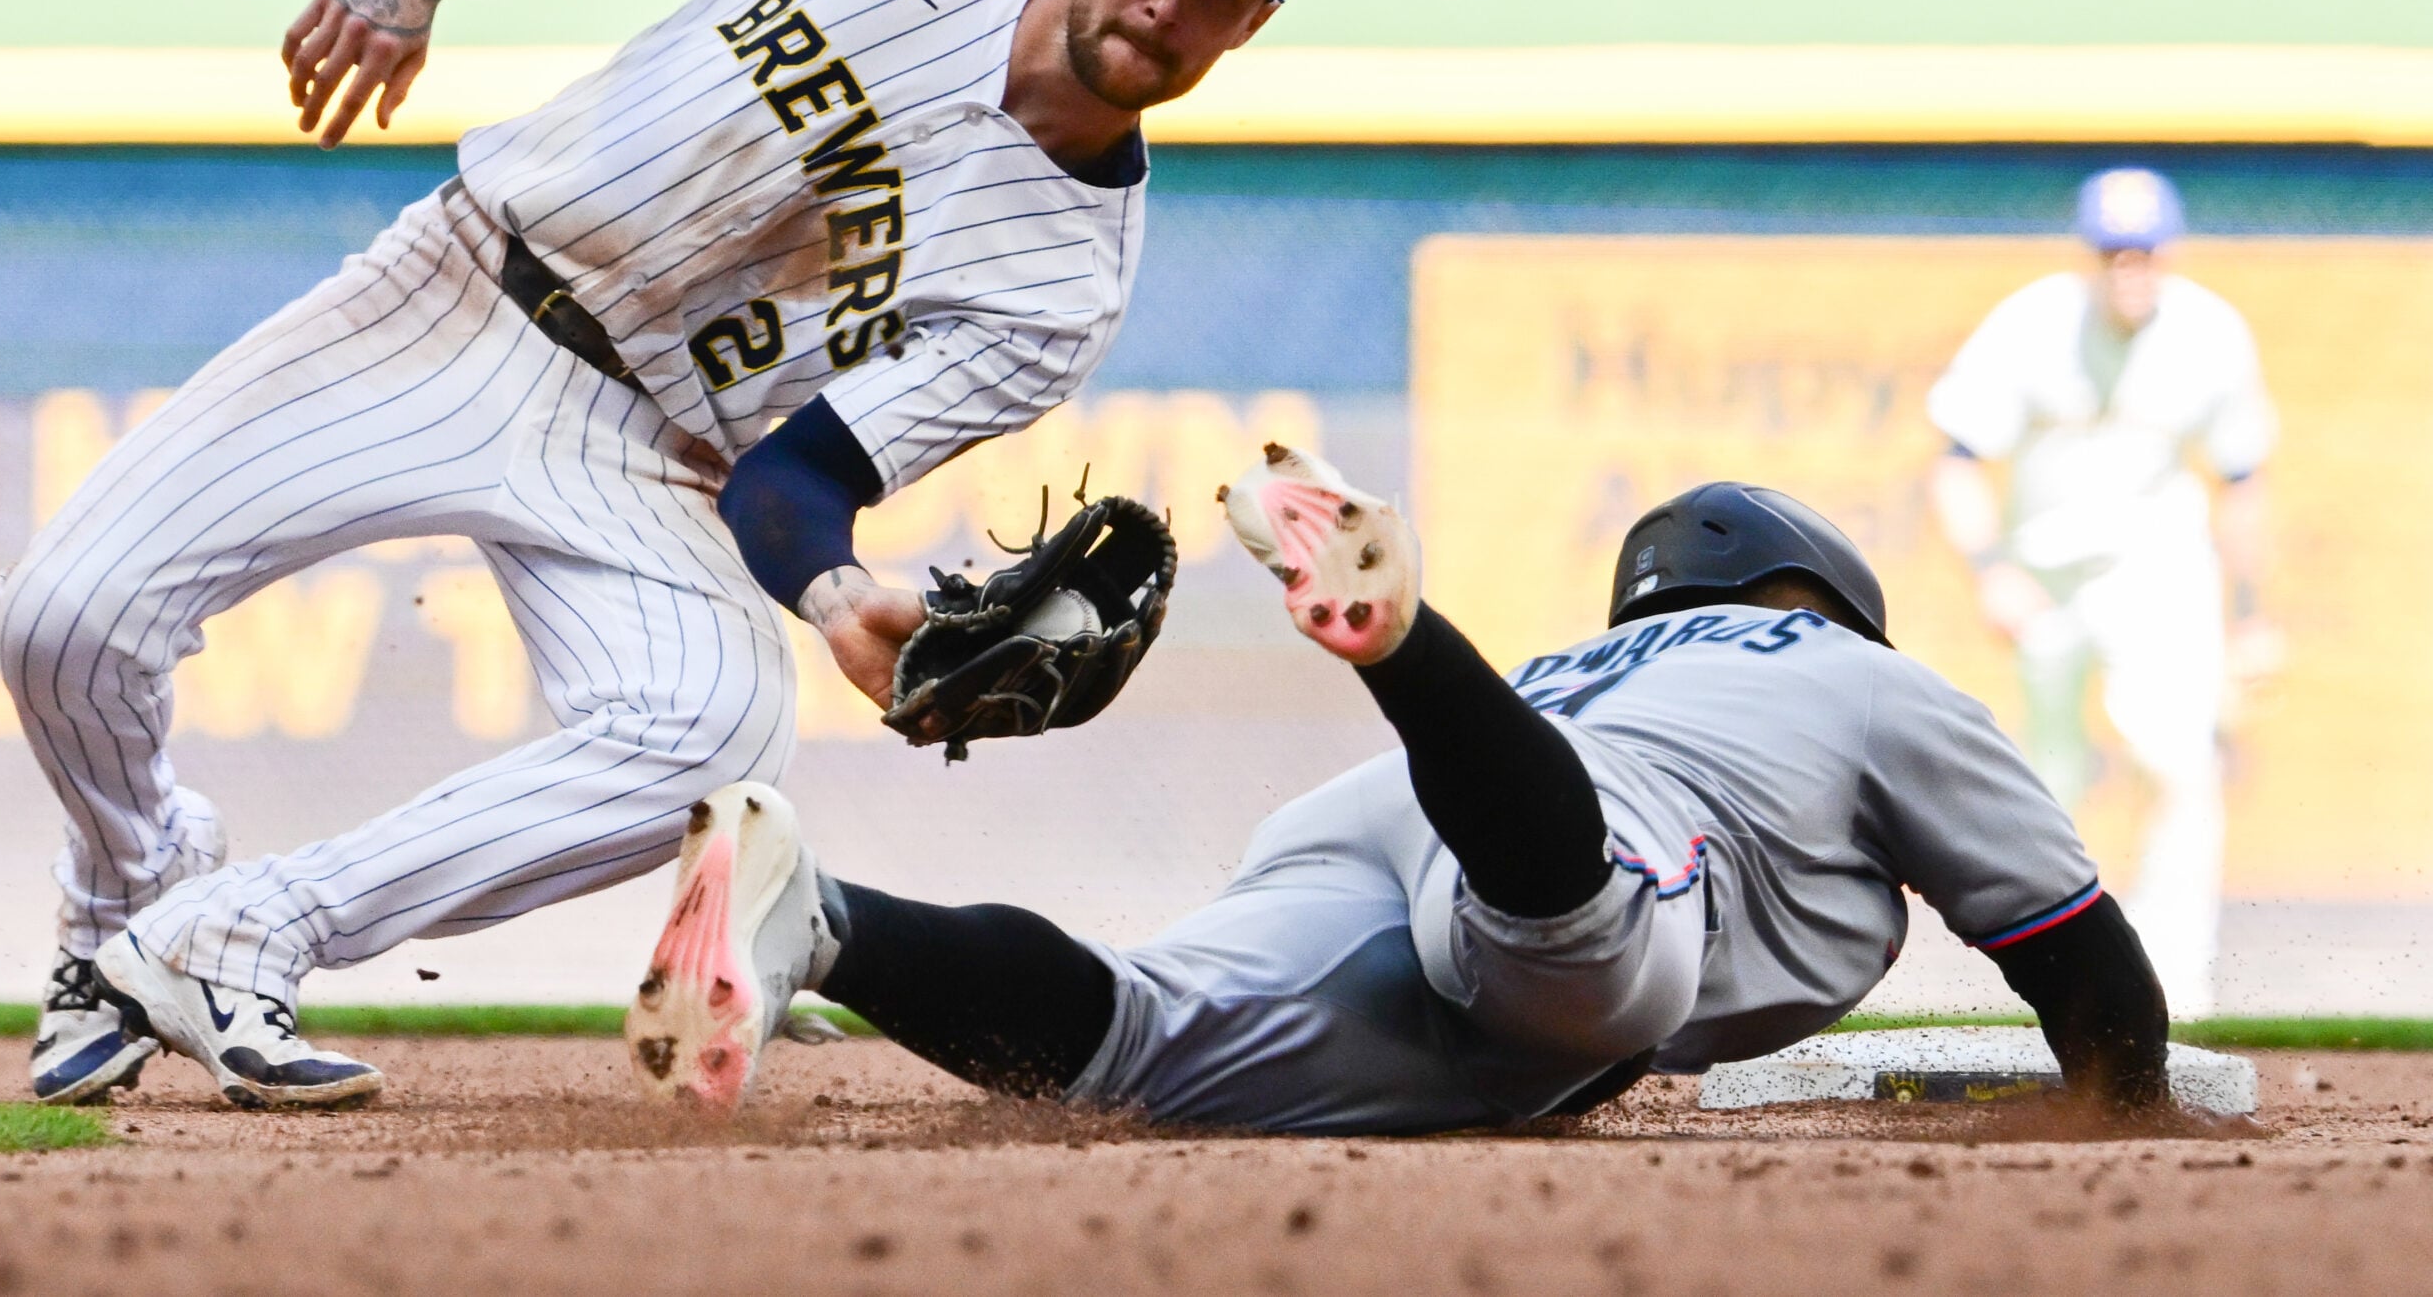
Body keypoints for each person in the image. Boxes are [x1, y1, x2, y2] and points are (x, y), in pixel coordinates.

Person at [11, 0, 1312, 1108]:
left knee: (714, 735)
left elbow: (794, 477)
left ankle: (240, 931)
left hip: (649, 453)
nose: (1163, 2)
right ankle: (131, 893)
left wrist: (839, 595)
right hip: (456, 291)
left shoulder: (1060, 288)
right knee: (62, 619)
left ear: (1252, 27)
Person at [625, 447, 2172, 1133]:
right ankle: (1409, 644)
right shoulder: (1860, 671)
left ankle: (817, 917)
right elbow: (2069, 936)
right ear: (1824, 591)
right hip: (1587, 837)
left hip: (1404, 802)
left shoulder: (1602, 660)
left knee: (1135, 1039)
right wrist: (2131, 1102)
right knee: (1595, 951)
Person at [1926, 167, 2276, 1020]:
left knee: (2178, 760)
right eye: (2115, 250)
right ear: (2092, 253)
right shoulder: (2034, 324)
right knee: (2048, 779)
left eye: (2145, 250)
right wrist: (1991, 569)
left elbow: (2242, 480)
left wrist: (2253, 611)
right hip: (2045, 572)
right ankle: (2059, 983)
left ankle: (2177, 988)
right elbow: (1959, 462)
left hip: (2158, 570)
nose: (2131, 267)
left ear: (2168, 251)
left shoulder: (2209, 332)